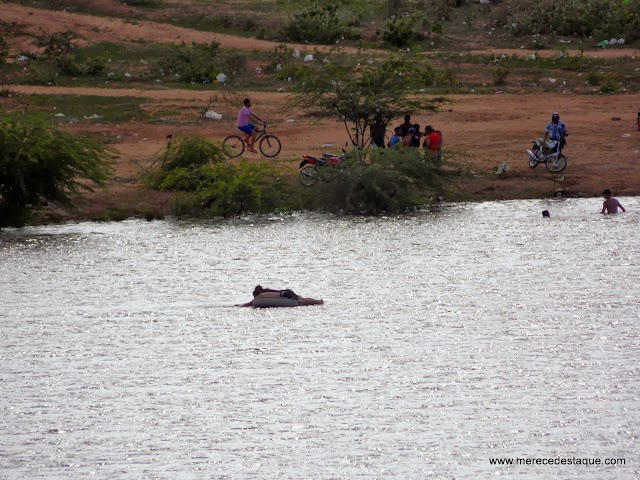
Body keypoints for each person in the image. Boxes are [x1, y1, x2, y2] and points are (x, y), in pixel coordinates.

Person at [237, 285, 324, 307]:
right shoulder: (265, 291)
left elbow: (249, 304)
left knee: (301, 302)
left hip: (284, 294)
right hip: (285, 292)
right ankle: (318, 301)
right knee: (301, 299)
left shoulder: (261, 296)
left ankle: (318, 302)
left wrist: (240, 306)